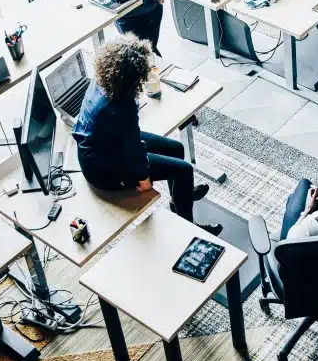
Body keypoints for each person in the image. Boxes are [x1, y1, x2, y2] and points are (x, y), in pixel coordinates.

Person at [72, 36, 221, 235]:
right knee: (183, 170)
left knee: (176, 148)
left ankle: (179, 199)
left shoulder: (102, 79)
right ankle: (188, 228)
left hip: (105, 143)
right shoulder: (123, 106)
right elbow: (134, 151)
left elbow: (129, 139)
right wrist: (143, 178)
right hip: (103, 168)